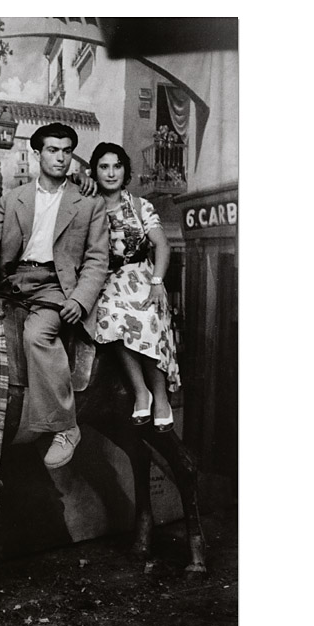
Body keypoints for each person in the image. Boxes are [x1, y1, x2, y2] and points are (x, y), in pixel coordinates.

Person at [0, 123, 109, 469]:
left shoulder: (87, 203)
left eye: (67, 151)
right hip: (13, 283)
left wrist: (79, 300)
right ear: (38, 154)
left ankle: (66, 426)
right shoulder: (13, 199)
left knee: (37, 336)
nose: (61, 158)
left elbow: (97, 260)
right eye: (53, 150)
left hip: (56, 286)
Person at [81, 142, 180, 433]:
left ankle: (160, 397)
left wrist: (158, 281)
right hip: (105, 278)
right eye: (103, 167)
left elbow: (162, 244)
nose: (111, 173)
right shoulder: (88, 205)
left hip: (141, 275)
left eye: (117, 166)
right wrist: (78, 178)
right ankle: (141, 392)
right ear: (94, 171)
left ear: (125, 171)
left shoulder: (139, 205)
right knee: (110, 318)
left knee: (148, 317)